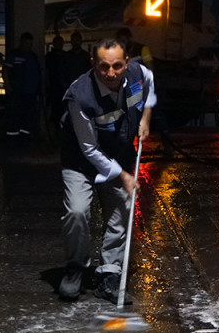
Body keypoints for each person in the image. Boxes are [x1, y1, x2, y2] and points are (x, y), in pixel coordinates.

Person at [58, 38, 156, 301]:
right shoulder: (79, 96)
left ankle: (109, 273)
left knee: (121, 211)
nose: (111, 73)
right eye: (104, 67)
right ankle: (76, 267)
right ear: (94, 64)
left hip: (119, 151)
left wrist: (145, 118)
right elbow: (89, 149)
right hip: (80, 160)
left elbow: (150, 83)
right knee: (77, 212)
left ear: (127, 62)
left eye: (117, 66)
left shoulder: (138, 73)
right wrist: (123, 175)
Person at [4, 32, 43, 140]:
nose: (28, 46)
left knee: (28, 117)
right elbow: (6, 70)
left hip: (30, 93)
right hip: (17, 91)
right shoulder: (14, 55)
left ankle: (25, 139)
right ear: (21, 42)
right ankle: (12, 140)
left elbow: (37, 74)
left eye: (30, 44)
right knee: (14, 116)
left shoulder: (33, 56)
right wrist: (7, 85)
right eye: (26, 43)